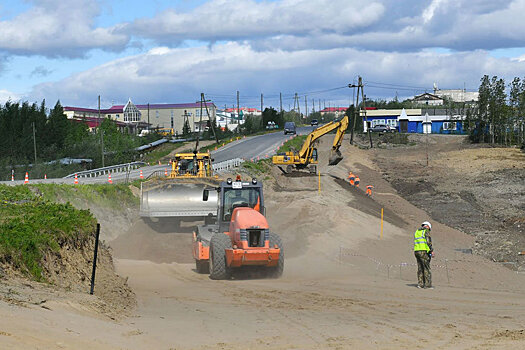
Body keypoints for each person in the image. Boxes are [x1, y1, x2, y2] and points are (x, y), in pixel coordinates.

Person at [414, 221, 434, 289]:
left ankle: (420, 284)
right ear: (428, 226)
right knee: (426, 268)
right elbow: (428, 241)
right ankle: (427, 285)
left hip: (416, 251)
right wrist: (431, 251)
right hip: (424, 251)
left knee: (420, 268)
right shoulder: (426, 231)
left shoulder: (417, 231)